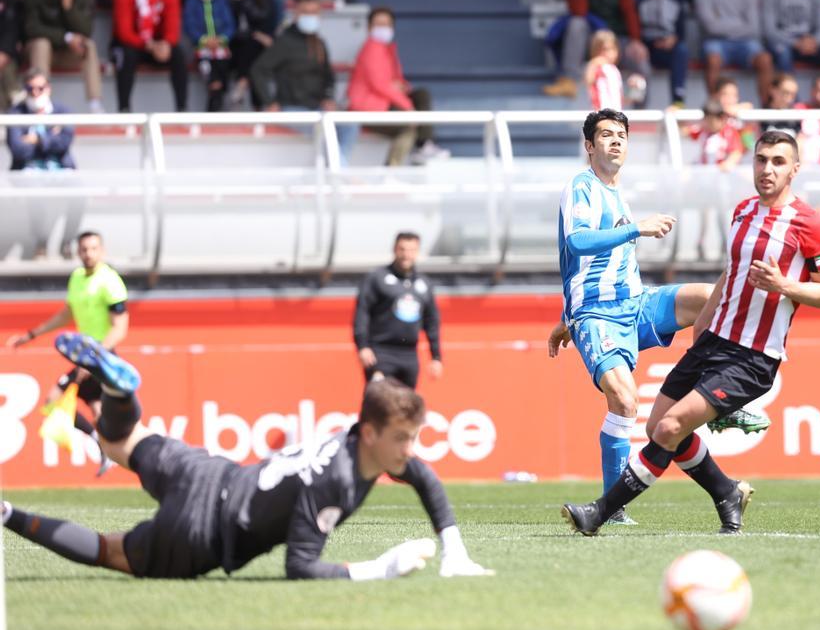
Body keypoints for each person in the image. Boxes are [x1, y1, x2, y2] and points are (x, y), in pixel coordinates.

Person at [3, 334, 493, 579]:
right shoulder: (337, 483)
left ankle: (114, 387)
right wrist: (380, 567)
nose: (412, 450)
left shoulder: (358, 442)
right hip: (201, 532)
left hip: (207, 471)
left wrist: (455, 548)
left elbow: (423, 476)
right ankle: (7, 512)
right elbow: (301, 567)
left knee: (119, 440)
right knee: (111, 552)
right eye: (404, 439)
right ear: (370, 432)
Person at [562, 129, 820, 535]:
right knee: (659, 427)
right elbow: (730, 276)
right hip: (714, 342)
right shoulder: (743, 211)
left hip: (754, 355)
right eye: (761, 160)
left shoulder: (811, 224)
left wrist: (785, 287)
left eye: (778, 162)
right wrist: (701, 334)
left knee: (672, 429)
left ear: (795, 169)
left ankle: (599, 513)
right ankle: (726, 492)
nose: (767, 169)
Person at [546, 109, 768, 526]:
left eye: (621, 136)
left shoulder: (617, 194)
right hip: (597, 315)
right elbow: (576, 243)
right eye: (606, 135)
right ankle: (614, 510)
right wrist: (637, 230)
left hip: (636, 303)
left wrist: (562, 318)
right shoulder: (581, 187)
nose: (615, 141)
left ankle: (720, 397)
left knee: (709, 298)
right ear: (589, 146)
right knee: (626, 401)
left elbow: (585, 262)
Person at [6, 231, 126, 472]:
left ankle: (109, 448)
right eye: (84, 249)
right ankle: (107, 448)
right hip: (86, 356)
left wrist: (93, 358)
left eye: (93, 249)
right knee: (97, 411)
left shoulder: (110, 281)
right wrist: (31, 335)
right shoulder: (77, 278)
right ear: (78, 252)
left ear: (101, 251)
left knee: (53, 401)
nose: (88, 254)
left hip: (102, 356)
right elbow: (67, 314)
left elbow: (120, 328)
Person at [250, 0, 353, 163]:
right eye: (305, 12)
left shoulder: (319, 43)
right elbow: (258, 70)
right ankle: (340, 173)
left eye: (314, 12)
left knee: (349, 124)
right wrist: (269, 102)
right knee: (325, 128)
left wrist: (328, 98)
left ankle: (339, 166)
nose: (310, 16)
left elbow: (328, 76)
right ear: (296, 14)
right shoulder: (285, 42)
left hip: (317, 107)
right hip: (291, 108)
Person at [346, 7, 449, 166]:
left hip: (384, 103)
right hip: (368, 107)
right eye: (378, 24)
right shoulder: (371, 49)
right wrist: (408, 108)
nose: (383, 28)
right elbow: (379, 84)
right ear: (369, 27)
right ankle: (391, 171)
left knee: (421, 95)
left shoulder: (388, 50)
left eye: (386, 24)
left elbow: (397, 80)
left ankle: (423, 145)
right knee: (407, 127)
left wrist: (403, 88)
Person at [544, 0, 650, 103]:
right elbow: (579, 11)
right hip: (591, 42)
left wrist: (636, 40)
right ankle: (568, 80)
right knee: (576, 23)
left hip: (618, 39)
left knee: (640, 60)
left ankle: (640, 110)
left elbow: (629, 12)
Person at [353, 232, 442, 390]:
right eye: (402, 249)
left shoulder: (423, 284)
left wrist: (436, 356)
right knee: (379, 402)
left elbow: (432, 322)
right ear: (395, 249)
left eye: (411, 250)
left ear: (417, 252)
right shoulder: (377, 278)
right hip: (381, 352)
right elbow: (362, 312)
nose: (406, 255)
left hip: (409, 354)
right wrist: (363, 346)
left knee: (406, 407)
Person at [24, 0, 104, 113]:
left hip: (69, 53)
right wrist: (66, 38)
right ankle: (41, 99)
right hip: (40, 53)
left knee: (88, 44)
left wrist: (68, 6)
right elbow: (32, 28)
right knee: (42, 44)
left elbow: (86, 30)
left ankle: (95, 103)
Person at [693, 0, 772, 105]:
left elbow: (753, 27)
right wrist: (739, 25)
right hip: (716, 41)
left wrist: (722, 24)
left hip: (745, 43)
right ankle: (714, 108)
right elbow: (711, 27)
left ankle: (767, 107)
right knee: (713, 59)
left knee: (765, 59)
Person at [112, 0, 188, 112]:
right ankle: (124, 109)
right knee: (126, 56)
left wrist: (165, 44)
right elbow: (124, 31)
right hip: (132, 44)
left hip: (159, 45)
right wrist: (148, 45)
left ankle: (182, 109)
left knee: (179, 55)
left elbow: (173, 29)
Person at [228, 0, 283, 109]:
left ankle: (242, 83)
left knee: (255, 48)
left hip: (258, 40)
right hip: (235, 41)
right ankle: (256, 105)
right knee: (251, 47)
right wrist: (237, 0)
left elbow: (263, 17)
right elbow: (227, 21)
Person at [182, 0, 234, 112]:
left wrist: (221, 39)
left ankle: (217, 107)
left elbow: (230, 24)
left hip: (221, 48)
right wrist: (203, 40)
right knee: (211, 77)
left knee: (223, 73)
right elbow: (189, 24)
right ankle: (213, 111)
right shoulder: (193, 2)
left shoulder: (222, 2)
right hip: (202, 49)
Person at [6, 69, 76, 171]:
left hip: (61, 170)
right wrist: (50, 138)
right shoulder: (15, 113)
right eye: (30, 88)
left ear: (49, 88)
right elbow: (18, 151)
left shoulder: (62, 111)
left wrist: (38, 140)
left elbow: (64, 143)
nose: (35, 92)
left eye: (40, 88)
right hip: (25, 172)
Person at [638, 0, 687, 107]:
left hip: (668, 48)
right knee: (638, 55)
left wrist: (673, 39)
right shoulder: (639, 3)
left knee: (681, 51)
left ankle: (678, 100)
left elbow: (681, 32)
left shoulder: (676, 3)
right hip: (647, 48)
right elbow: (635, 31)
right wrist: (650, 42)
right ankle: (639, 105)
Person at [585, 29, 623, 110]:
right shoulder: (598, 67)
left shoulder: (614, 69)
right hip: (601, 114)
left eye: (613, 49)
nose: (609, 53)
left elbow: (616, 95)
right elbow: (588, 80)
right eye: (605, 50)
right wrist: (594, 63)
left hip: (615, 113)